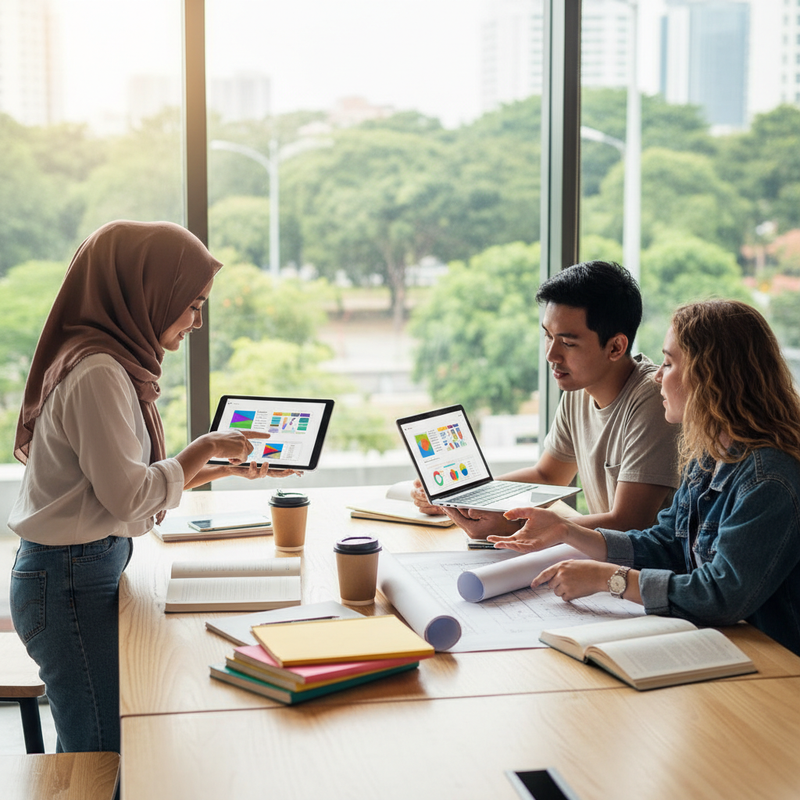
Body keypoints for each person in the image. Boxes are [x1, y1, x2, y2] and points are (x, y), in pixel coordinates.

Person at [7, 220, 297, 754]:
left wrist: (218, 470)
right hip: (70, 577)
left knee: (117, 737)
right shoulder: (98, 371)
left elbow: (116, 485)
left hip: (81, 567)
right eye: (192, 304)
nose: (197, 321)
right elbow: (130, 497)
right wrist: (204, 448)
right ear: (147, 292)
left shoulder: (106, 360)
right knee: (104, 750)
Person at [493, 300, 800, 656]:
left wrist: (608, 579)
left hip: (777, 665)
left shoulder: (769, 480)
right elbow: (666, 542)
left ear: (710, 377)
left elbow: (722, 595)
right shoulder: (710, 456)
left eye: (668, 364)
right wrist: (567, 531)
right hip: (725, 645)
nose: (657, 376)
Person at [412, 260, 680, 538]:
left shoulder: (653, 399)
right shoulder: (580, 389)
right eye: (547, 336)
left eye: (567, 343)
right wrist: (462, 496)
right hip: (604, 559)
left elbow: (629, 523)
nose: (552, 355)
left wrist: (523, 527)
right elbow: (548, 476)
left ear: (615, 347)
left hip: (642, 570)